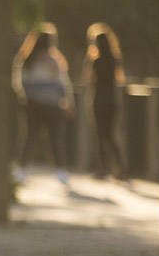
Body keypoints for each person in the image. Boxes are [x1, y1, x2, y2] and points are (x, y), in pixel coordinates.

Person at [13, 23, 73, 185]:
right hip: (53, 105)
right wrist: (68, 102)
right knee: (55, 138)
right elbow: (63, 83)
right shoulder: (55, 60)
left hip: (32, 104)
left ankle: (21, 170)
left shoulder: (27, 58)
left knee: (30, 137)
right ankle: (61, 171)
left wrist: (26, 97)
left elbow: (20, 81)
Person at [82, 23, 128, 180]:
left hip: (99, 100)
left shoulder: (96, 61)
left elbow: (89, 79)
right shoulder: (115, 59)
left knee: (100, 135)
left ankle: (103, 169)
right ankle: (120, 168)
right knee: (110, 135)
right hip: (112, 100)